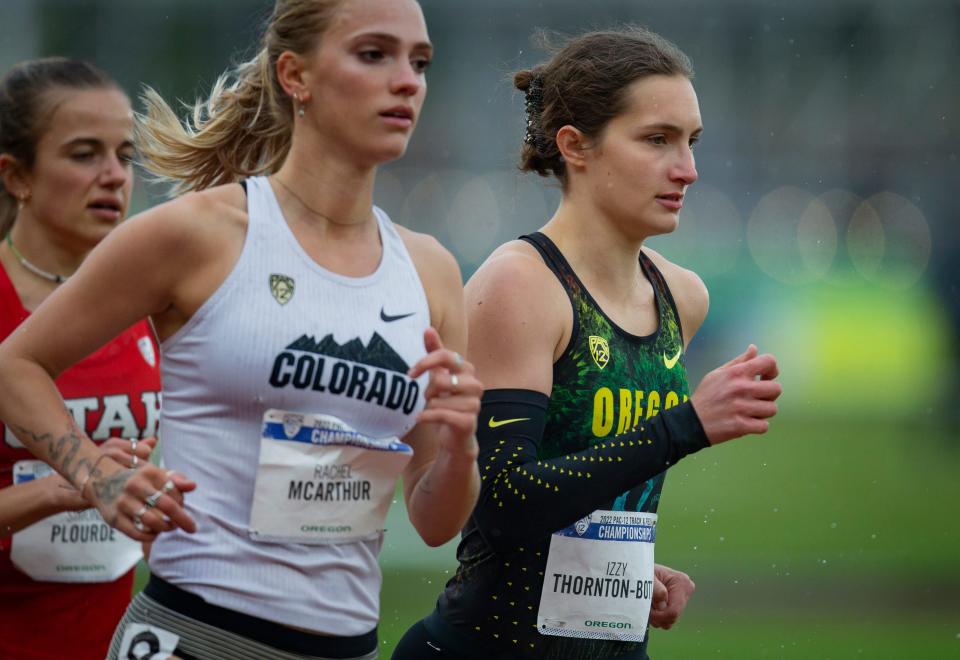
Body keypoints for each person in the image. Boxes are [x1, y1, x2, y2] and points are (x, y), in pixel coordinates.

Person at [0, 1, 482, 659]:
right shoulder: (197, 235)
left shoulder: (430, 271)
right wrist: (92, 476)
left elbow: (434, 521)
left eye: (419, 63)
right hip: (198, 634)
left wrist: (459, 449)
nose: (407, 81)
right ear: (295, 75)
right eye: (374, 55)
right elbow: (14, 365)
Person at [394, 26, 782, 659]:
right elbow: (504, 505)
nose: (687, 168)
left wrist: (623, 573)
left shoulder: (682, 295)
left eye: (691, 141)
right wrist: (686, 426)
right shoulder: (521, 284)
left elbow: (584, 490)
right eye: (657, 140)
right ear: (575, 146)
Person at [0, 57, 161, 660]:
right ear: (17, 176)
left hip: (113, 644)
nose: (114, 176)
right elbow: (90, 483)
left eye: (125, 155)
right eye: (84, 154)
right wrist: (70, 485)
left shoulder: (151, 303)